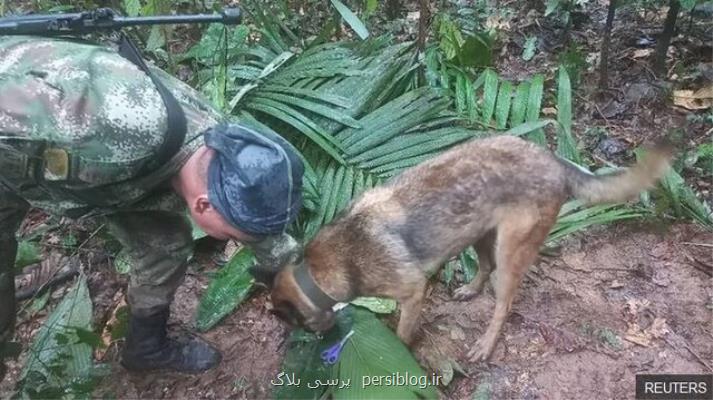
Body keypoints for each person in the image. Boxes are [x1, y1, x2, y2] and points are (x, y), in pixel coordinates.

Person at [0, 34, 304, 378]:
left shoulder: (223, 151)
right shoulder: (114, 126)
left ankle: (145, 348)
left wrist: (304, 285)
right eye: (235, 237)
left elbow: (257, 227)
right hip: (13, 150)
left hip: (101, 175)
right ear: (203, 205)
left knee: (164, 246)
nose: (241, 241)